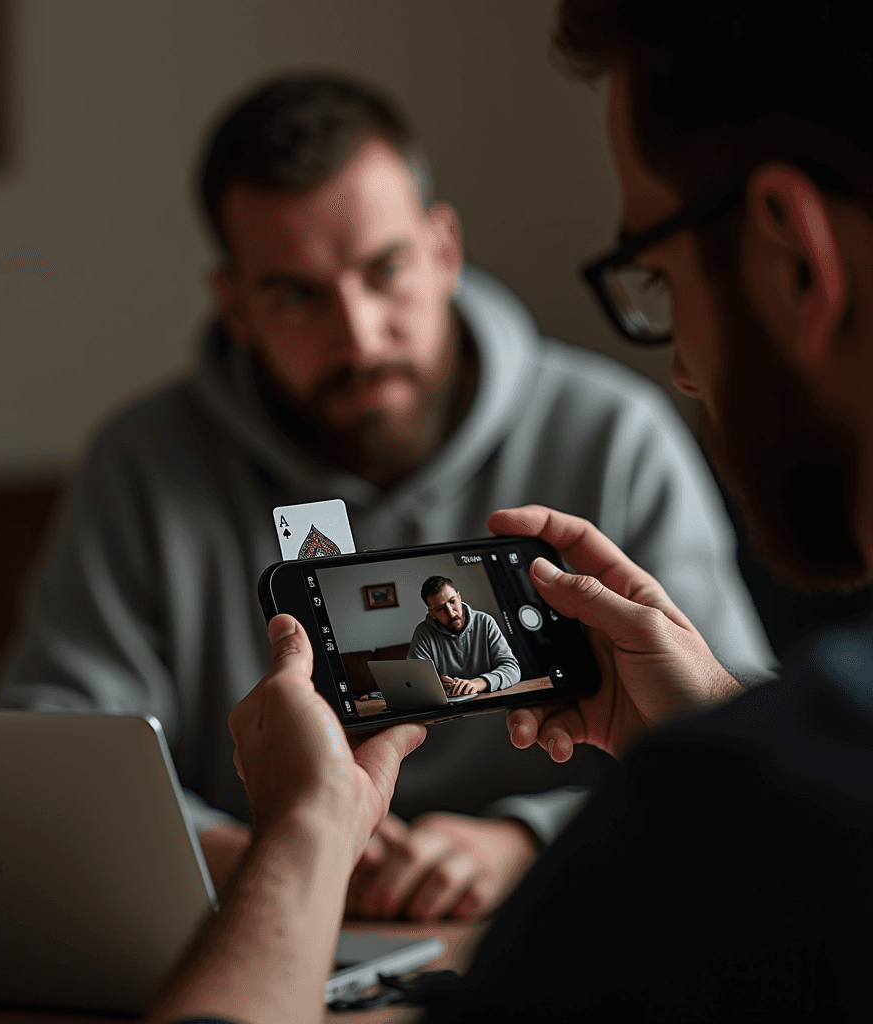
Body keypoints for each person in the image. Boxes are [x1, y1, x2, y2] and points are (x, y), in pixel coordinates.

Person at [139, 1, 873, 1020]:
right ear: (235, 301)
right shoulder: (771, 783)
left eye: (653, 279)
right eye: (299, 295)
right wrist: (711, 725)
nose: (684, 375)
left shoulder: (741, 795)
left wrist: (309, 830)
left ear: (794, 256)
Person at [0, 72, 777, 922]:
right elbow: (56, 756)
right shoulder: (139, 463)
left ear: (443, 248)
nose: (359, 336)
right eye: (297, 295)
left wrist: (529, 844)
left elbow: (746, 737)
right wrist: (263, 856)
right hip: (265, 918)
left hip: (544, 920)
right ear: (236, 305)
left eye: (385, 269)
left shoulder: (617, 434)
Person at [407, 575, 520, 694]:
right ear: (432, 613)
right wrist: (436, 684)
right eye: (439, 609)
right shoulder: (423, 633)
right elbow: (414, 681)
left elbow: (512, 670)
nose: (450, 613)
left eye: (452, 601)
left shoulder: (485, 622)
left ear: (459, 597)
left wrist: (479, 683)